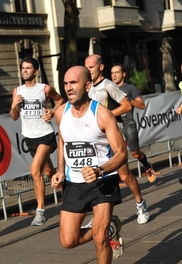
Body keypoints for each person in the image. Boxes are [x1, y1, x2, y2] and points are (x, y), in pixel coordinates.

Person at [51, 65, 127, 262]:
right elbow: (62, 139)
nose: (68, 87)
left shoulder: (102, 114)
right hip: (74, 182)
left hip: (103, 182)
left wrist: (100, 170)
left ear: (87, 85)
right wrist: (60, 170)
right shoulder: (60, 113)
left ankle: (104, 232)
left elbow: (121, 154)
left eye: (73, 83)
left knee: (100, 239)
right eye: (66, 83)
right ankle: (111, 227)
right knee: (68, 240)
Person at [85, 54, 149, 225]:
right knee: (94, 176)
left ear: (100, 67)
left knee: (125, 176)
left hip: (111, 135)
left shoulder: (108, 85)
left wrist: (106, 116)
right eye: (86, 67)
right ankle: (97, 215)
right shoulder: (87, 86)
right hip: (95, 138)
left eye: (91, 67)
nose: (88, 70)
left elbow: (127, 106)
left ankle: (140, 203)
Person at [10, 56, 64, 226]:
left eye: (28, 68)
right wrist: (13, 104)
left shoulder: (45, 89)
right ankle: (73, 197)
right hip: (30, 138)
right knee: (49, 173)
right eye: (22, 68)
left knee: (34, 170)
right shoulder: (17, 91)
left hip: (45, 135)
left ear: (35, 71)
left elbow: (61, 99)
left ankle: (40, 211)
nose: (24, 70)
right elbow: (14, 117)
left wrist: (53, 112)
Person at [110, 63, 157, 183]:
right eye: (112, 73)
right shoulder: (109, 88)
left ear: (123, 74)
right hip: (114, 124)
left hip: (128, 123)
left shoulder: (130, 88)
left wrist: (128, 100)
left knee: (135, 153)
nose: (114, 75)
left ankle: (146, 164)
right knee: (117, 153)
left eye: (117, 72)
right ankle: (122, 178)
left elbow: (141, 105)